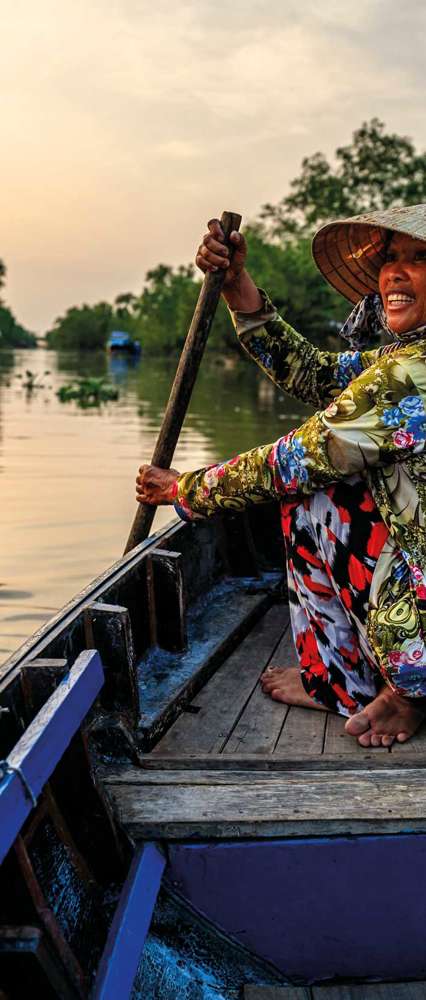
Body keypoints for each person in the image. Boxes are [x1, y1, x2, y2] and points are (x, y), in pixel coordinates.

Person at [136, 206, 426, 749]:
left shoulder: (410, 376)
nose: (394, 273)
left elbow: (291, 462)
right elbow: (315, 374)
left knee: (310, 491)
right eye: (390, 259)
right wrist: (237, 285)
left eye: (419, 259)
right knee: (333, 485)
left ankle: (389, 686)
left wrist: (186, 490)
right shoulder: (403, 360)